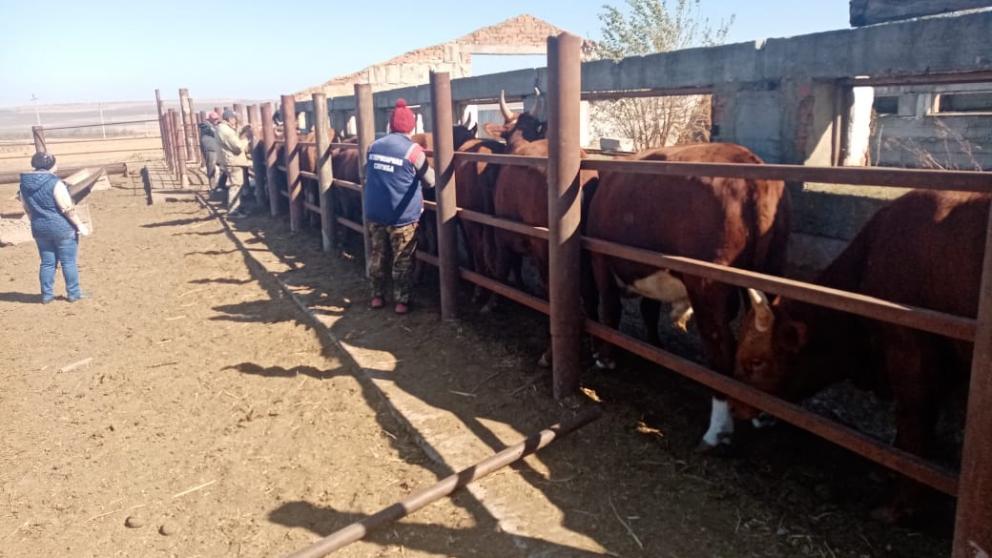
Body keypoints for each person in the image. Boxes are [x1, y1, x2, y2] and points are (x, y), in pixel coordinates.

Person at [363, 99, 435, 314]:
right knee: (402, 258)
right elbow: (431, 181)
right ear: (411, 127)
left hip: (375, 213)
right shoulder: (413, 150)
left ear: (390, 125)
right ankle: (401, 301)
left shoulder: (373, 146)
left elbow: (365, 172)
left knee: (377, 255)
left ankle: (377, 296)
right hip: (402, 216)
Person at [18, 152, 90, 303]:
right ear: (50, 165)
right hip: (61, 228)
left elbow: (27, 208)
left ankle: (46, 295)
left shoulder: (24, 185)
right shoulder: (55, 183)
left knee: (47, 262)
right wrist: (79, 225)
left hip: (39, 228)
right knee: (68, 262)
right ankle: (74, 293)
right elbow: (67, 208)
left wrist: (36, 220)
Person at [216, 110, 252, 218]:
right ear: (230, 119)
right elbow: (237, 147)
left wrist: (242, 130)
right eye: (234, 119)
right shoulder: (226, 131)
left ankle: (237, 208)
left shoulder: (223, 129)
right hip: (233, 161)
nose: (235, 121)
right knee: (236, 186)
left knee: (237, 185)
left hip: (230, 160)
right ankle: (233, 211)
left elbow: (233, 138)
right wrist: (246, 139)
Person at [199, 112, 222, 190]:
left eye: (217, 119)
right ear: (210, 119)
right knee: (211, 167)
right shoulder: (206, 126)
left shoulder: (214, 125)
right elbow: (215, 132)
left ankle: (220, 184)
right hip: (210, 149)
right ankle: (213, 186)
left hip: (217, 149)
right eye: (215, 119)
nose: (216, 120)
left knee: (223, 167)